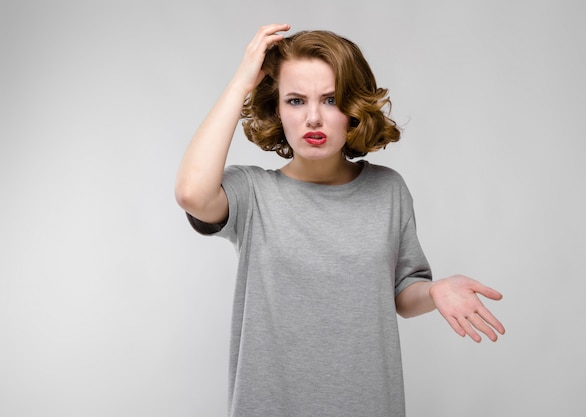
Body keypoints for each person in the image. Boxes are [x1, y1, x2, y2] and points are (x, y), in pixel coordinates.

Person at [175, 23, 505, 417]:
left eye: (331, 100)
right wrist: (240, 84)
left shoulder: (388, 190)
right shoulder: (251, 194)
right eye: (295, 101)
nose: (313, 117)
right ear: (276, 108)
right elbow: (192, 193)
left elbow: (402, 293)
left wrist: (434, 291)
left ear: (354, 109)